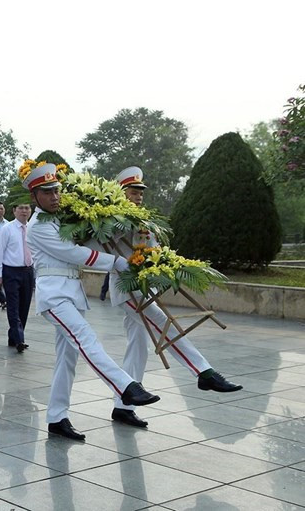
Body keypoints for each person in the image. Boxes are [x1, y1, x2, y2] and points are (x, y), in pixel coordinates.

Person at [23, 163, 160, 441]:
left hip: (71, 292)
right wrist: (118, 262)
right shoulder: (38, 226)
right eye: (46, 192)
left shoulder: (61, 221)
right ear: (33, 197)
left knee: (67, 358)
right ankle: (126, 386)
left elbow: (88, 245)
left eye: (55, 191)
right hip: (55, 295)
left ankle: (57, 417)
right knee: (86, 339)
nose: (53, 196)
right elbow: (76, 254)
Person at [102, 167, 242, 428]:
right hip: (127, 287)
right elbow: (105, 247)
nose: (139, 196)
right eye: (134, 192)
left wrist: (165, 263)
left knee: (138, 346)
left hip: (146, 287)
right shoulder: (110, 220)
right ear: (121, 192)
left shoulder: (144, 220)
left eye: (141, 192)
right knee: (162, 322)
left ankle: (123, 406)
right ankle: (204, 372)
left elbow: (153, 249)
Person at [0, 201, 34, 352]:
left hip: (28, 271)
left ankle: (14, 336)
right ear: (14, 211)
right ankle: (19, 339)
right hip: (11, 271)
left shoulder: (32, 228)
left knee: (24, 306)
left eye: (27, 207)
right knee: (13, 306)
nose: (24, 211)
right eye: (21, 208)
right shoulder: (7, 229)